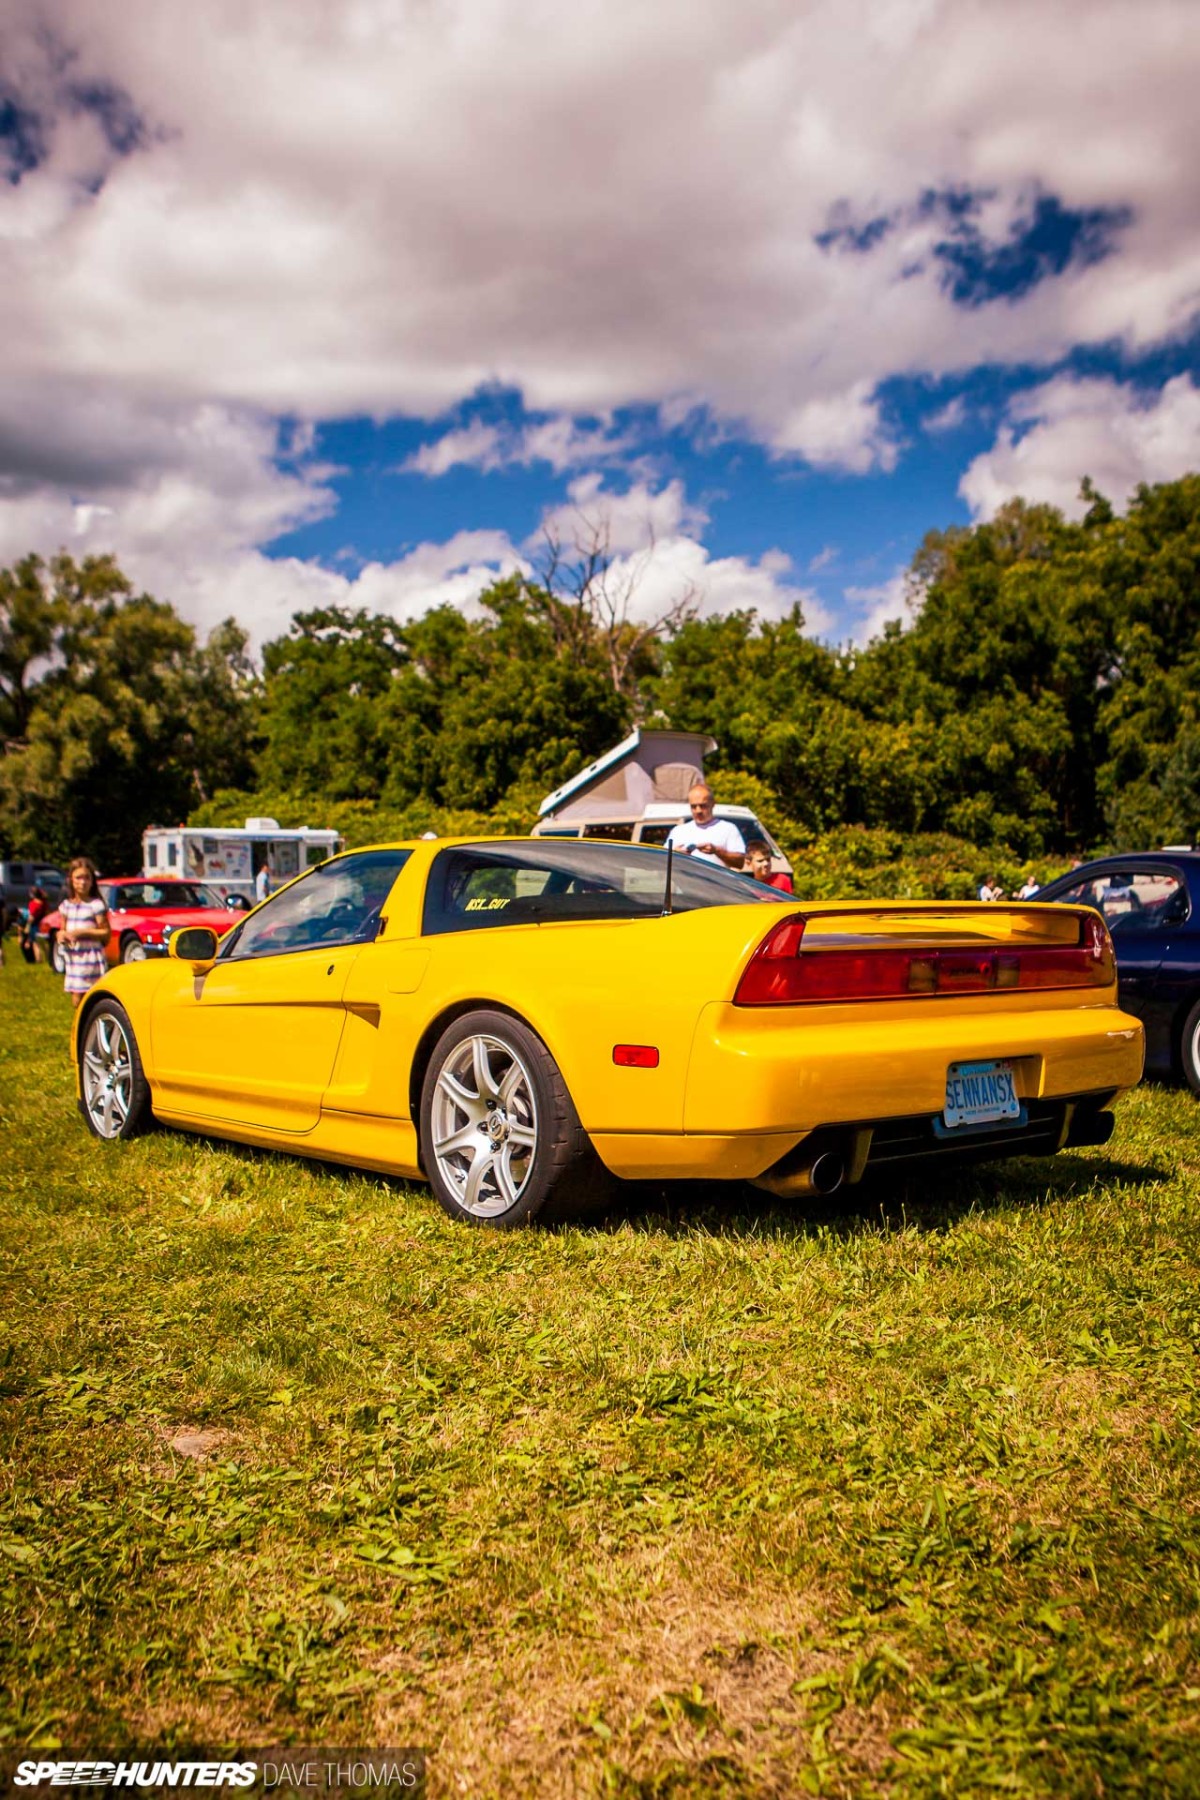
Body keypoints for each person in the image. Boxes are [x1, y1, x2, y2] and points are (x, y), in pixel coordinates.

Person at [59, 857, 110, 1008]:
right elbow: (62, 929)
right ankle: (79, 1028)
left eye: (87, 878)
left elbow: (105, 933)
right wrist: (61, 935)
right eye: (78, 878)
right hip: (74, 957)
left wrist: (82, 933)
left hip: (91, 958)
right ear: (71, 880)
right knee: (76, 998)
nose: (83, 882)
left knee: (90, 998)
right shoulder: (66, 906)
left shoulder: (95, 905)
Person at [666, 783, 745, 870]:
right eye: (694, 806)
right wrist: (675, 854)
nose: (698, 810)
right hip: (684, 883)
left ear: (713, 804)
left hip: (715, 883)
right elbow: (661, 860)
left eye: (703, 806)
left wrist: (716, 851)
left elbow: (740, 863)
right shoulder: (678, 831)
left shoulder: (728, 829)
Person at [22, 885, 48, 963]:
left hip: (35, 925)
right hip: (43, 924)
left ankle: (38, 959)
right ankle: (48, 957)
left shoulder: (32, 904)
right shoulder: (44, 903)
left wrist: (27, 925)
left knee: (36, 943)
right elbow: (47, 913)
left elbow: (31, 916)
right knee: (44, 943)